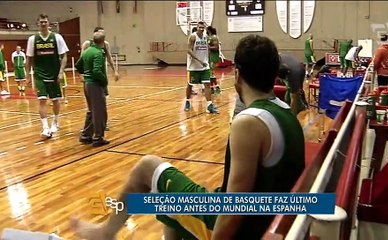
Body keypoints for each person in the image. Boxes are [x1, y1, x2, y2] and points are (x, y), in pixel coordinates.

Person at [70, 34, 305, 240]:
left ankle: (106, 232)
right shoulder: (287, 112)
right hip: (272, 218)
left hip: (243, 229)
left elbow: (234, 209)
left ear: (238, 75)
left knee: (148, 167)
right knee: (171, 198)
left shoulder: (249, 122)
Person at [26, 13, 69, 138]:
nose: (43, 23)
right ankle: (45, 127)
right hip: (39, 74)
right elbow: (29, 58)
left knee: (56, 100)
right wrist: (28, 75)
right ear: (38, 24)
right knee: (42, 100)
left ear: (49, 23)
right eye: (41, 22)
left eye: (45, 21)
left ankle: (55, 122)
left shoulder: (57, 37)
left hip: (55, 74)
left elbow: (64, 56)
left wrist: (61, 72)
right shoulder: (32, 39)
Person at [234, 53, 306, 116]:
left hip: (297, 69)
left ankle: (301, 103)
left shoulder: (295, 74)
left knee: (295, 95)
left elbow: (294, 97)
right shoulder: (268, 63)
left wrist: (292, 118)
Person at [81, 27, 119, 130]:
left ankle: (103, 123)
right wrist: (82, 75)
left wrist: (115, 71)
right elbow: (81, 60)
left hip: (101, 76)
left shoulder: (105, 44)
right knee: (91, 105)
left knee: (103, 102)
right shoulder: (87, 44)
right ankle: (91, 128)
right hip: (90, 78)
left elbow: (109, 58)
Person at [76, 32, 110, 147]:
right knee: (99, 112)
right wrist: (104, 80)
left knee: (91, 110)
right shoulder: (98, 53)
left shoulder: (87, 51)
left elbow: (78, 65)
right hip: (95, 85)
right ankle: (98, 137)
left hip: (87, 84)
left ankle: (86, 135)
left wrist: (86, 74)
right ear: (103, 41)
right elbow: (97, 71)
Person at [184, 21, 218, 114]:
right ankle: (187, 101)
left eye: (203, 28)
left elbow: (208, 50)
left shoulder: (206, 37)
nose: (201, 29)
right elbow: (189, 51)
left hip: (204, 66)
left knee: (207, 85)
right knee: (190, 85)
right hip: (193, 67)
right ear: (197, 27)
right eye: (200, 27)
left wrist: (209, 61)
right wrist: (199, 61)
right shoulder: (193, 37)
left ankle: (209, 105)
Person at [207, 26, 221, 95]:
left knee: (211, 73)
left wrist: (209, 47)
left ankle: (217, 87)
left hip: (214, 57)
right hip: (210, 57)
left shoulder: (214, 37)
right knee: (210, 74)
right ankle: (212, 88)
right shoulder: (209, 37)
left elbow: (216, 47)